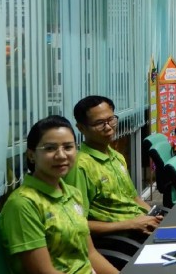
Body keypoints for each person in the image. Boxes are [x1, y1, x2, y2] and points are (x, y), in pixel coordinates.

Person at [0, 115, 119, 274]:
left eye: (68, 147)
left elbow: (91, 253)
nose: (61, 155)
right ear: (31, 155)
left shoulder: (72, 193)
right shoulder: (23, 204)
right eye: (50, 148)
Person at [66, 95, 162, 238]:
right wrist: (131, 224)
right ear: (81, 128)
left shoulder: (117, 156)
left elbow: (134, 199)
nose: (108, 128)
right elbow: (76, 223)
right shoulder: (79, 166)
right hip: (121, 238)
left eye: (111, 120)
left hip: (141, 226)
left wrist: (153, 216)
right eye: (99, 123)